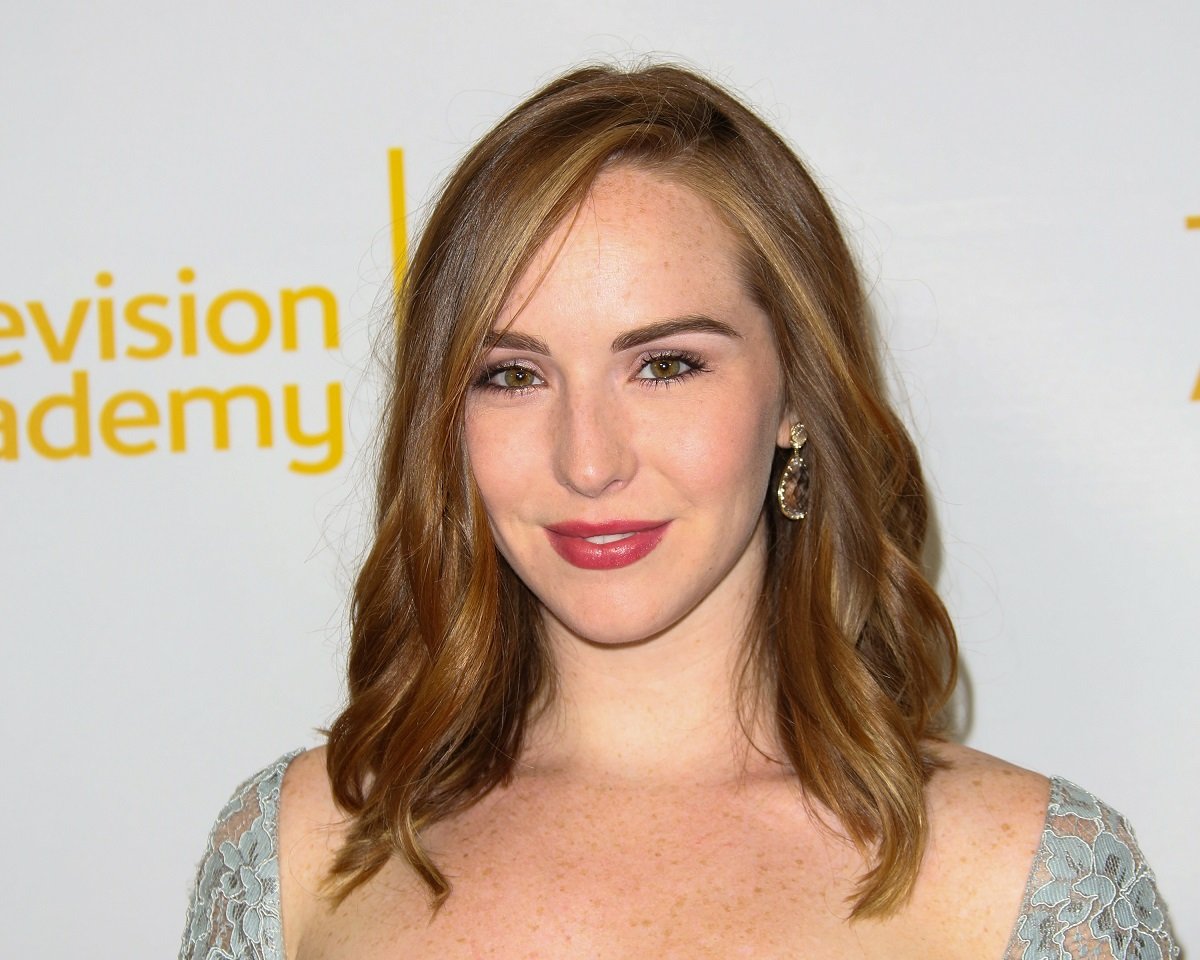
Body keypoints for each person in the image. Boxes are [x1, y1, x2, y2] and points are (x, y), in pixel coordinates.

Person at [180, 64, 1180, 960]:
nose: (588, 459)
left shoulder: (1015, 879)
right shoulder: (300, 848)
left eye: (666, 365)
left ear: (795, 396)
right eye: (514, 374)